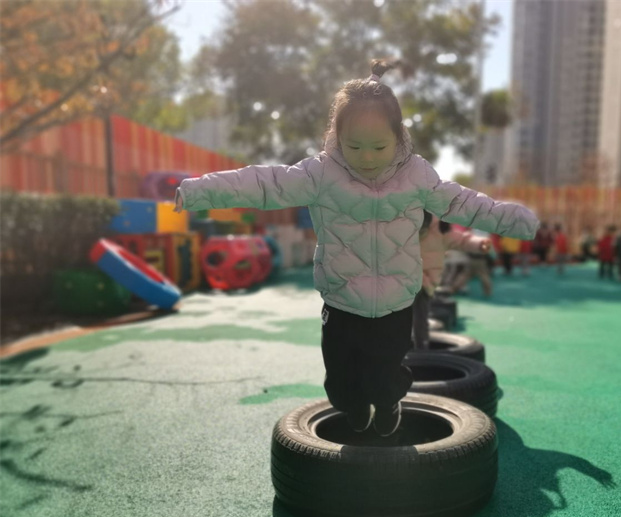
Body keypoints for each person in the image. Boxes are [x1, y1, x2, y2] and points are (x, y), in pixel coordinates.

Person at [174, 59, 540, 437]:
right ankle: (352, 404)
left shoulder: (416, 175)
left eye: (379, 146)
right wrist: (198, 191)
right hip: (342, 300)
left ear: (399, 137)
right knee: (341, 379)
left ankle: (389, 402)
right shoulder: (320, 174)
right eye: (354, 146)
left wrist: (513, 220)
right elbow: (264, 184)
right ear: (337, 136)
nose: (367, 157)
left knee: (387, 372)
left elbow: (463, 202)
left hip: (396, 301)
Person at [413, 212, 489, 349]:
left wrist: (479, 243)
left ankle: (420, 348)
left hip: (425, 281)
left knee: (420, 317)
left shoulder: (440, 231)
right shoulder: (406, 230)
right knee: (403, 316)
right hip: (405, 278)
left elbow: (461, 240)